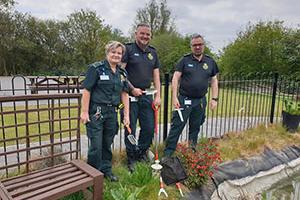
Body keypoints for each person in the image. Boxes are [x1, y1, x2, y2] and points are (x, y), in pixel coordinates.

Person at [80, 41, 130, 182]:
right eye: (113, 52)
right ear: (107, 53)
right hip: (97, 112)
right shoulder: (96, 69)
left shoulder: (122, 73)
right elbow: (87, 90)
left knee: (107, 144)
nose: (116, 55)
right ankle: (93, 176)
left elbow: (125, 94)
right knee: (96, 145)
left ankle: (106, 171)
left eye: (119, 53)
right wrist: (84, 112)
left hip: (112, 113)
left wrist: (126, 115)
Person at [164, 34, 219, 157]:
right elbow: (175, 77)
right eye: (195, 45)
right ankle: (168, 154)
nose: (197, 47)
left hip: (200, 101)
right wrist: (174, 97)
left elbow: (214, 80)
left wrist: (214, 98)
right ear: (191, 46)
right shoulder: (184, 60)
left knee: (195, 127)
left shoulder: (210, 61)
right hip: (184, 100)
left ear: (203, 45)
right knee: (177, 126)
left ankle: (191, 152)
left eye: (200, 44)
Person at [121, 23, 161, 172]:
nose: (145, 36)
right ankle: (131, 158)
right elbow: (120, 73)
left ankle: (141, 152)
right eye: (142, 33)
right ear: (136, 34)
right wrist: (132, 88)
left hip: (147, 96)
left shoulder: (153, 53)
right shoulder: (128, 49)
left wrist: (158, 95)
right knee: (130, 129)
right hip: (130, 97)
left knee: (149, 128)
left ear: (150, 36)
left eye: (147, 34)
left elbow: (156, 76)